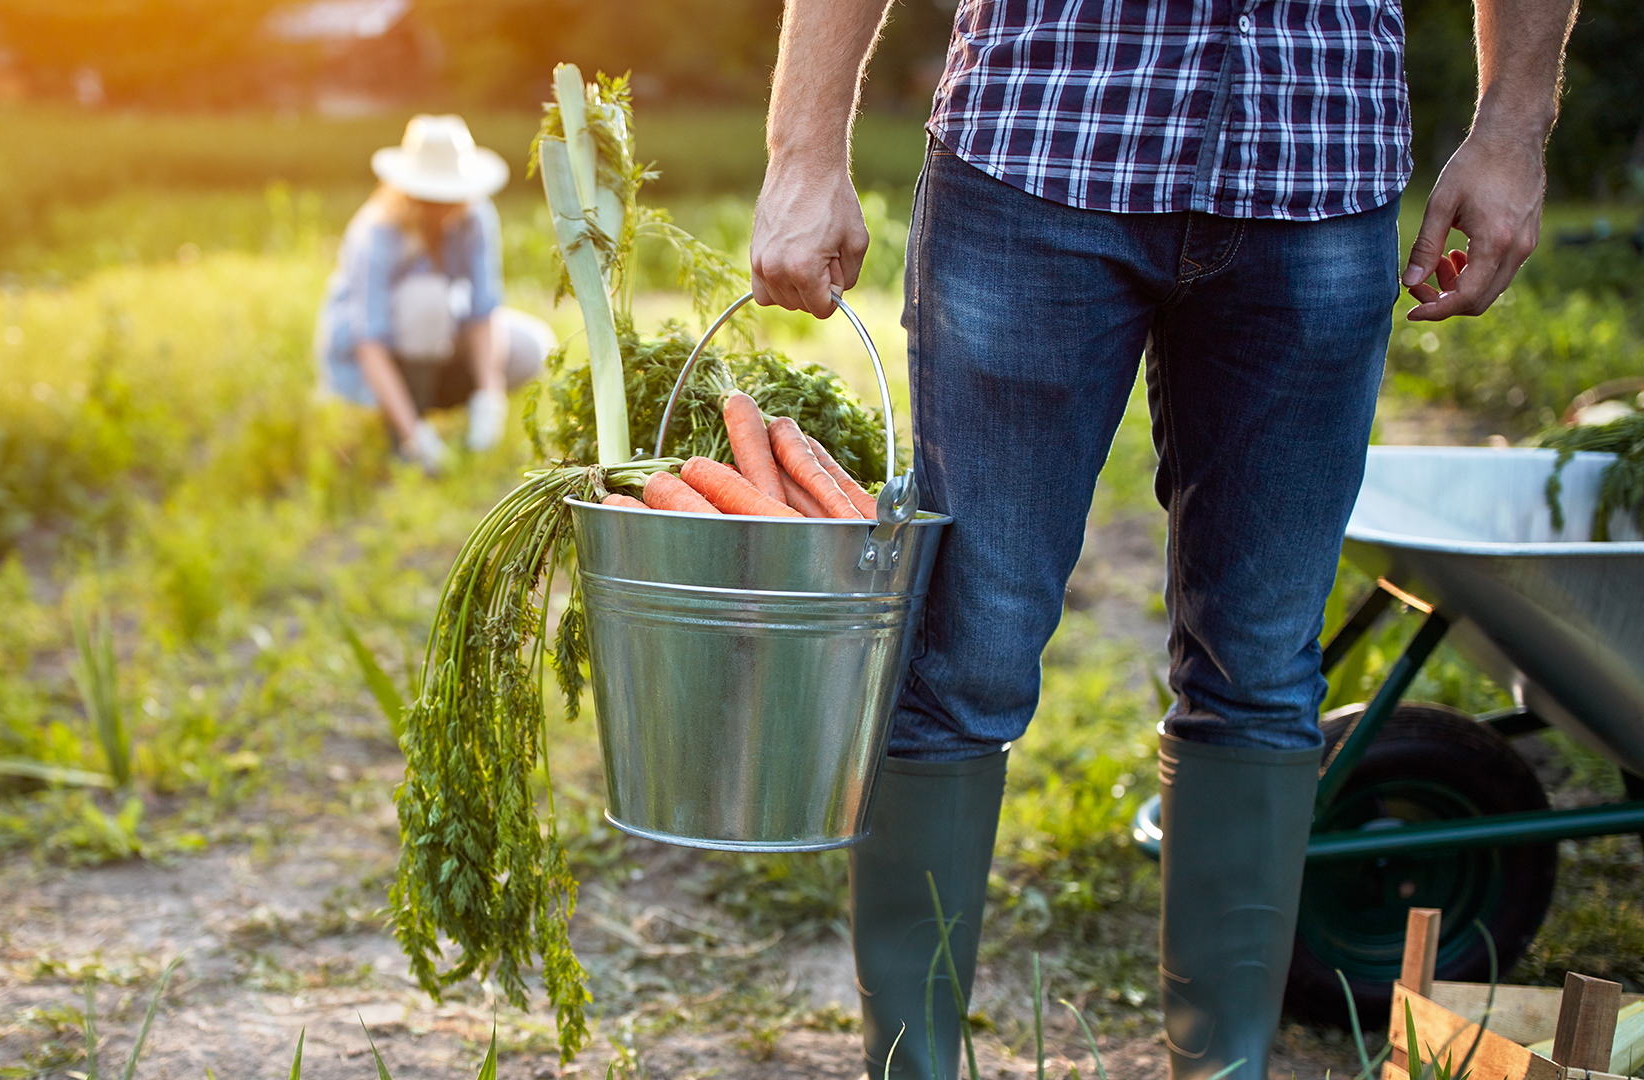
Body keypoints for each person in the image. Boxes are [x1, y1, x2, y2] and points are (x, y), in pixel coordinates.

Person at [748, 0, 1577, 1077]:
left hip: (1319, 161)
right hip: (1036, 148)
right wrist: (802, 147)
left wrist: (1513, 125)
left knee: (1264, 670)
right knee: (964, 661)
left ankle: (1223, 1066)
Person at [316, 114, 555, 473]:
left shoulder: (475, 217)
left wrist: (490, 397)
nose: (444, 206)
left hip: (437, 339)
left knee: (532, 346)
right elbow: (370, 342)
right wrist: (413, 433)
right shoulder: (377, 232)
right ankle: (406, 433)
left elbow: (483, 310)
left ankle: (457, 424)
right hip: (372, 363)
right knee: (425, 301)